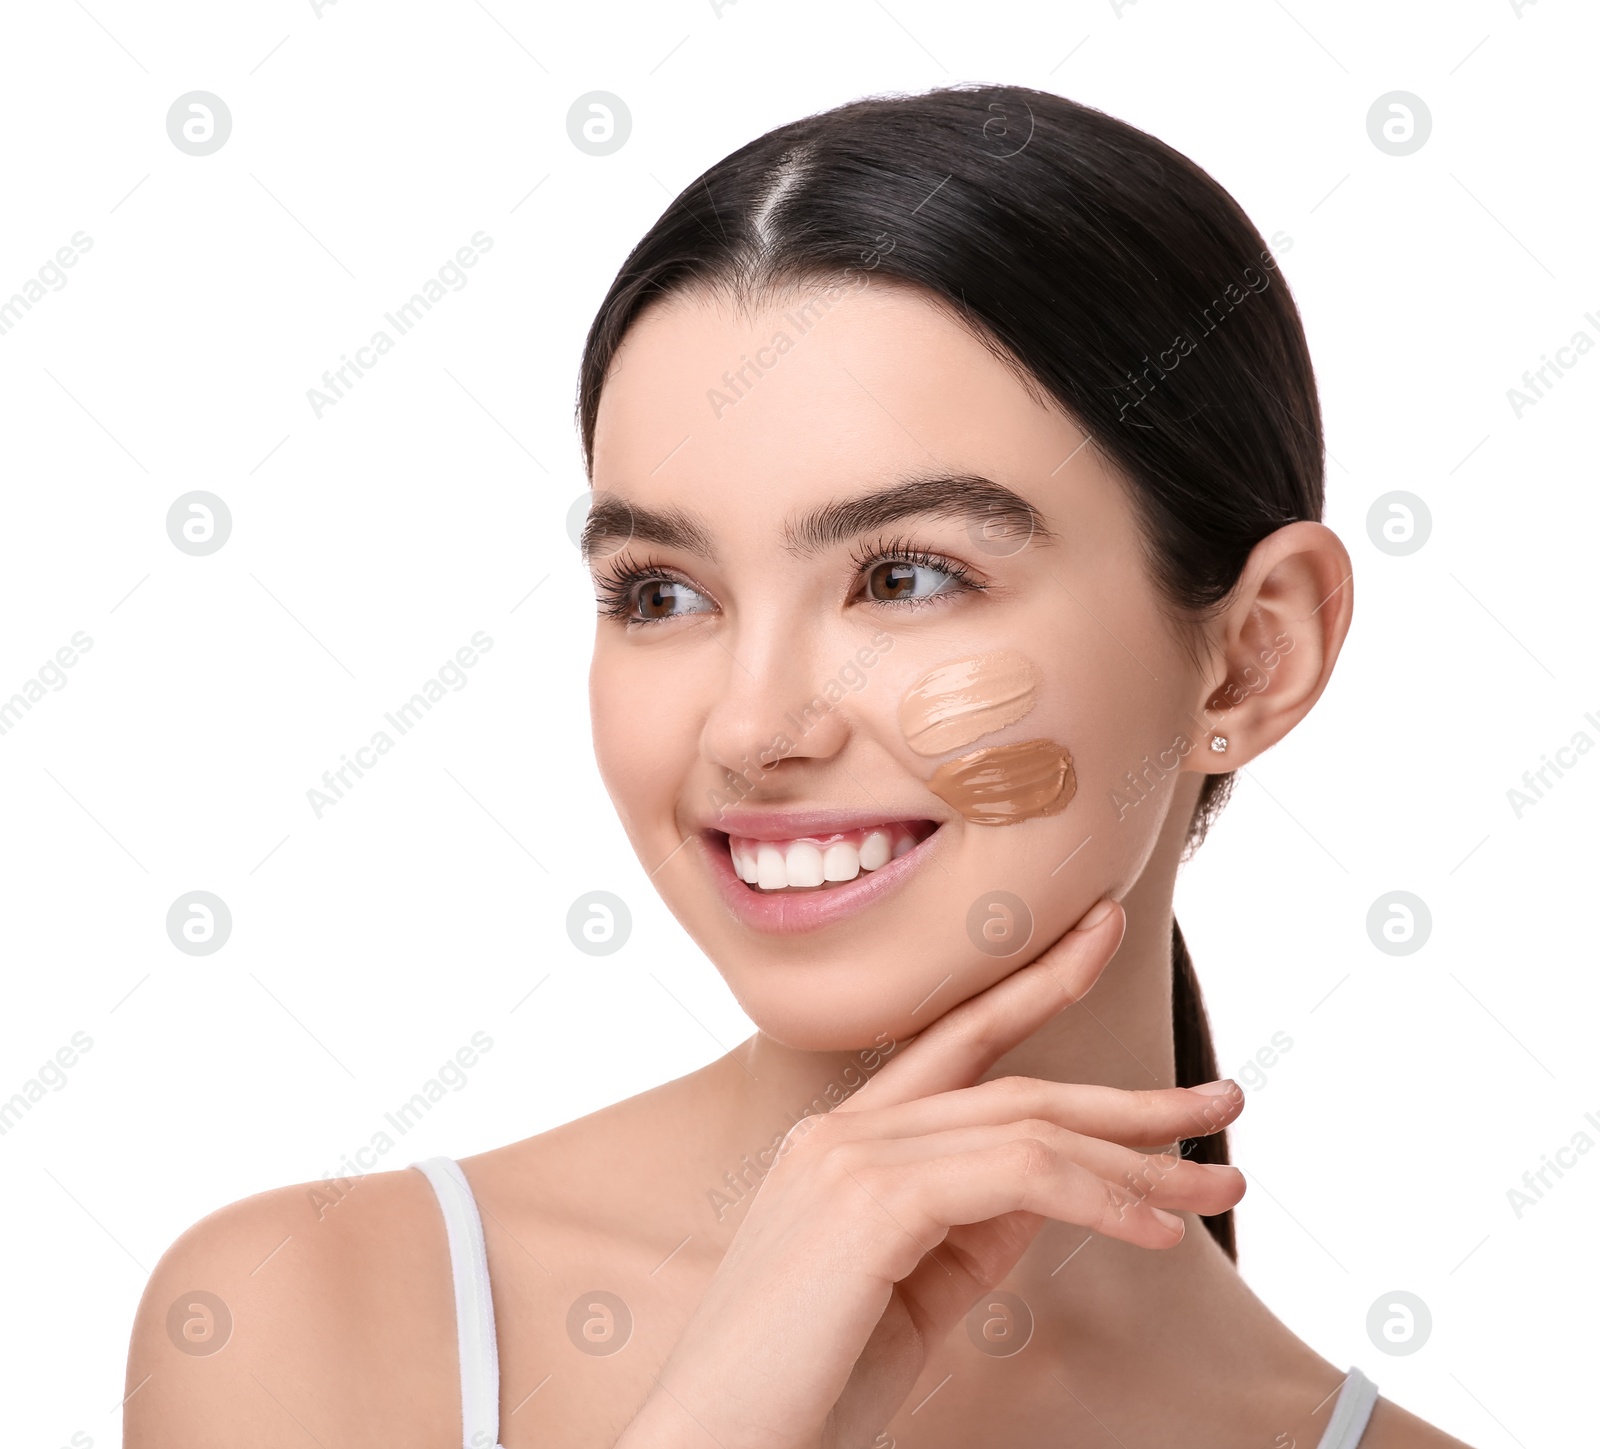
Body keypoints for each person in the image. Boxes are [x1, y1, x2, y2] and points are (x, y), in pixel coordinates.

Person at [126, 85, 1474, 1448]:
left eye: (907, 575)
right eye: (660, 591)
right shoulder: (315, 1322)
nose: (750, 727)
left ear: (1254, 656)